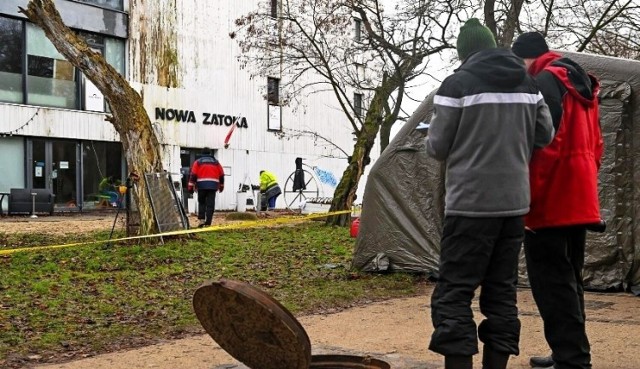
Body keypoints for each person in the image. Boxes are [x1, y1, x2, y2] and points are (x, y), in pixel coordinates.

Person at [425, 19, 554, 369]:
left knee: (454, 293)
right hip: (513, 207)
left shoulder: (457, 84)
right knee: (501, 293)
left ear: (464, 54)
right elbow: (545, 134)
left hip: (469, 206)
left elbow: (437, 147)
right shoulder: (528, 83)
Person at [512, 32, 603, 369]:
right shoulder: (579, 83)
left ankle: (572, 359)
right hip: (580, 195)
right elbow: (597, 143)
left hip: (552, 198)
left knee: (551, 283)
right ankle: (569, 352)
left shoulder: (545, 82)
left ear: (525, 59)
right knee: (569, 279)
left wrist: (528, 200)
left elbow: (544, 146)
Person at [188, 148, 225, 227]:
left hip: (201, 186)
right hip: (213, 186)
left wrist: (190, 186)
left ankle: (201, 220)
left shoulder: (198, 162)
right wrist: (221, 186)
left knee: (202, 203)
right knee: (210, 204)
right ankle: (208, 222)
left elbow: (193, 175)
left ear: (202, 153)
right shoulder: (216, 162)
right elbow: (221, 175)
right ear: (210, 153)